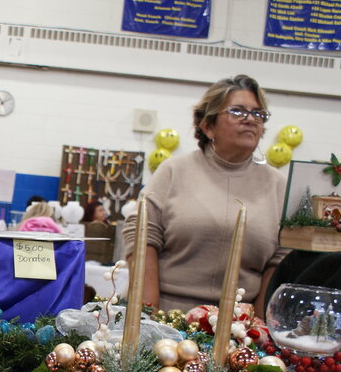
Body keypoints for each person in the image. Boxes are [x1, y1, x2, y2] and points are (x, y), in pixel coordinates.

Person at [122, 74, 287, 317]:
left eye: (258, 114)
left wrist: (261, 326)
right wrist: (147, 314)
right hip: (167, 317)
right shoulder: (173, 170)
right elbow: (142, 234)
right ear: (208, 126)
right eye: (238, 112)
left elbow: (280, 259)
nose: (251, 119)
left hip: (240, 326)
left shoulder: (278, 185)